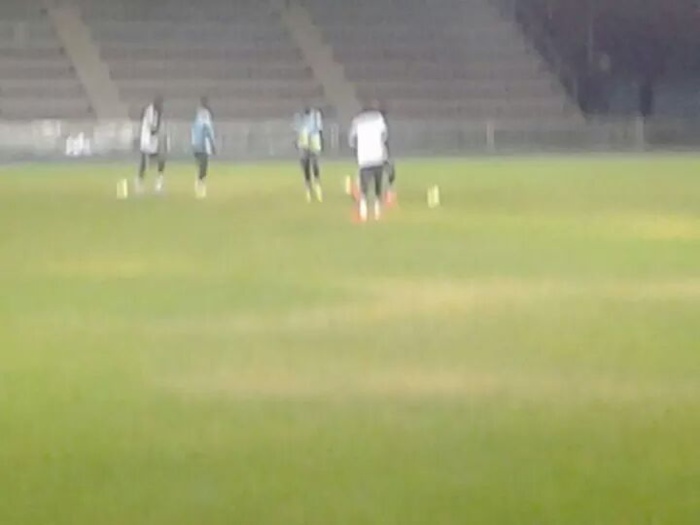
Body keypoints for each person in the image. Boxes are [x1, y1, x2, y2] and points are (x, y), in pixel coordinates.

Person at [349, 101, 389, 222]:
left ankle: (364, 212)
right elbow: (384, 136)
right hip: (378, 157)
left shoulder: (357, 121)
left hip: (364, 159)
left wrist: (357, 148)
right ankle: (377, 212)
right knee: (378, 186)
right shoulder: (379, 119)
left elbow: (351, 141)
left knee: (364, 188)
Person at [136, 95, 168, 194]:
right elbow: (153, 128)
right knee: (145, 163)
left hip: (153, 142)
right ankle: (140, 183)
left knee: (160, 161)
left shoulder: (156, 112)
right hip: (147, 141)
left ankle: (158, 183)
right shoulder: (150, 111)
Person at [294, 105, 323, 202]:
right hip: (304, 142)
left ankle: (317, 186)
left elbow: (319, 129)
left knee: (315, 164)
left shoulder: (316, 115)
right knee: (305, 166)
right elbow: (297, 130)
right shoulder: (299, 116)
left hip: (314, 140)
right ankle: (308, 189)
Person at [191, 97, 216, 199]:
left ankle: (199, 184)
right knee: (203, 166)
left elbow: (195, 129)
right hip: (202, 144)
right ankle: (200, 186)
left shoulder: (197, 114)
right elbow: (207, 129)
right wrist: (212, 143)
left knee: (200, 165)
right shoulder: (205, 114)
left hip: (196, 143)